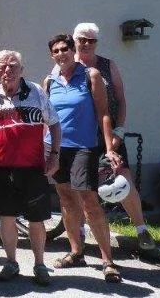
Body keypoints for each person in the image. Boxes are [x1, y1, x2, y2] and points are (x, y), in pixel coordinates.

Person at [0, 51, 62, 285]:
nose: (7, 70)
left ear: (22, 69)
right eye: (2, 66)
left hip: (33, 168)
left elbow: (54, 124)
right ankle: (11, 262)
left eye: (13, 65)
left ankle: (40, 264)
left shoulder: (36, 92)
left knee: (36, 219)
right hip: (2, 168)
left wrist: (54, 155)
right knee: (6, 218)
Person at [45, 34, 123, 283]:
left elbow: (104, 114)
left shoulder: (91, 76)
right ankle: (77, 251)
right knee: (66, 200)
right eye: (56, 51)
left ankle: (108, 260)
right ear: (52, 55)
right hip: (58, 148)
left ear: (73, 50)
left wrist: (110, 147)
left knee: (89, 200)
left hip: (84, 148)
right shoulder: (49, 81)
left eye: (65, 48)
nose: (61, 54)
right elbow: (46, 119)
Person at [72, 22, 156, 250]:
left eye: (91, 40)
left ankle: (141, 231)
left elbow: (120, 98)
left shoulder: (108, 65)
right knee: (81, 188)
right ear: (74, 40)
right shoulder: (68, 67)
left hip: (109, 134)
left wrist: (119, 129)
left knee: (124, 181)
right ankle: (79, 233)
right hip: (79, 137)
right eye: (82, 39)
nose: (86, 44)